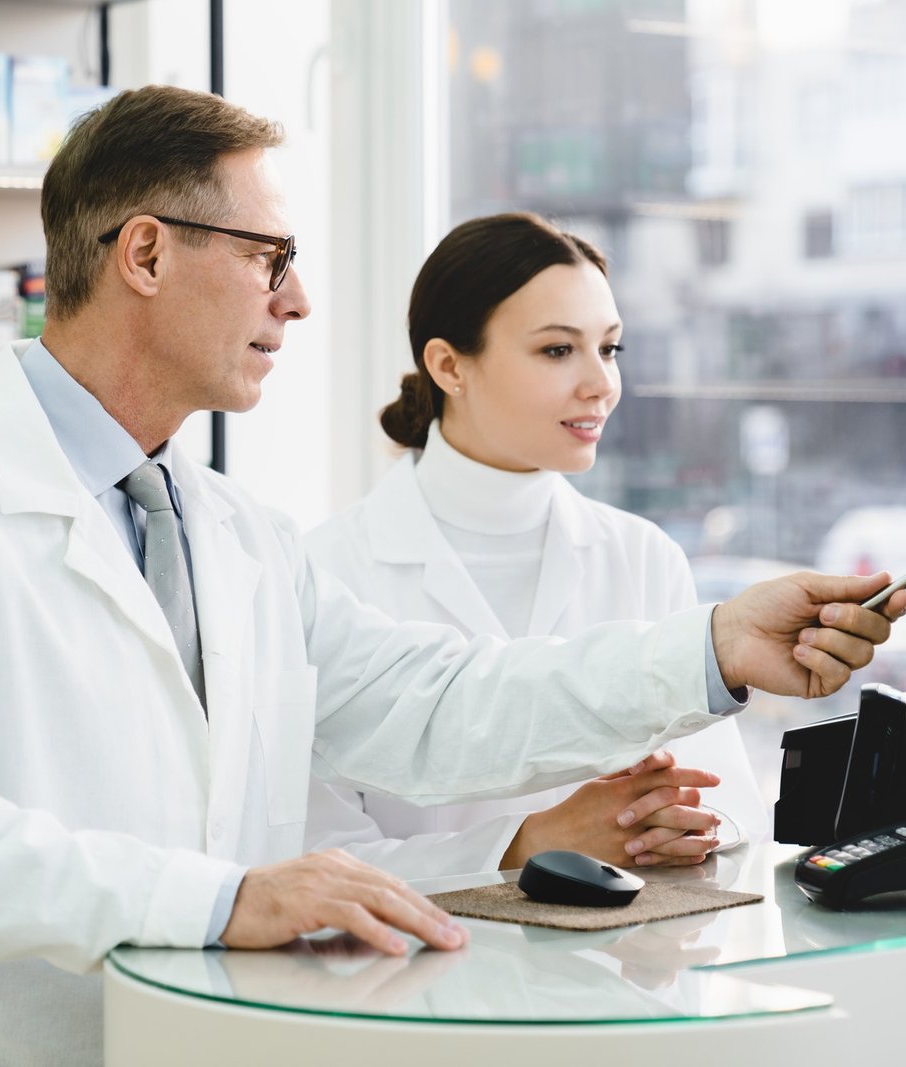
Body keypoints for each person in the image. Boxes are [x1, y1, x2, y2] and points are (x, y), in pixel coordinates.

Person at [0, 86, 906, 1065]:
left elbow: (443, 704)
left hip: (202, 1039)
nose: (297, 301)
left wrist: (706, 648)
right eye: (271, 259)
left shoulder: (239, 533)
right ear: (147, 253)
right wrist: (223, 896)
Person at [305, 213, 768, 880]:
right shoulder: (326, 571)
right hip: (414, 978)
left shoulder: (643, 556)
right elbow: (311, 862)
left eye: (610, 349)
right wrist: (529, 843)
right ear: (448, 365)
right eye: (558, 350)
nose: (600, 383)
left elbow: (730, 813)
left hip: (619, 973)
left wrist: (676, 827)